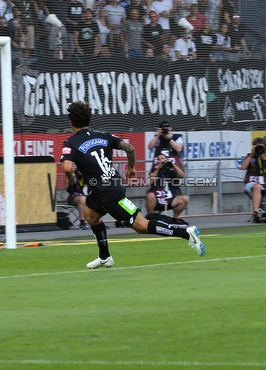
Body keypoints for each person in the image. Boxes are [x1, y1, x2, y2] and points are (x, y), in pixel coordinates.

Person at [60, 102, 204, 269]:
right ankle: (105, 256)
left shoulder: (70, 143)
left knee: (142, 226)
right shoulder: (104, 136)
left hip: (108, 192)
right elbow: (129, 148)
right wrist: (131, 168)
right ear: (89, 120)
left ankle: (186, 232)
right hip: (108, 186)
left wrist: (70, 179)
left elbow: (67, 167)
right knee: (91, 216)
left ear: (70, 121)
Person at [146, 153, 189, 221]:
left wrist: (172, 165)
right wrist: (158, 169)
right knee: (150, 195)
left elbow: (181, 175)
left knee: (185, 198)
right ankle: (151, 218)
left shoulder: (170, 171)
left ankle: (175, 218)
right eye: (159, 159)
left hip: (170, 198)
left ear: (166, 159)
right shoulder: (154, 171)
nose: (161, 160)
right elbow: (150, 182)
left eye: (162, 158)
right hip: (158, 198)